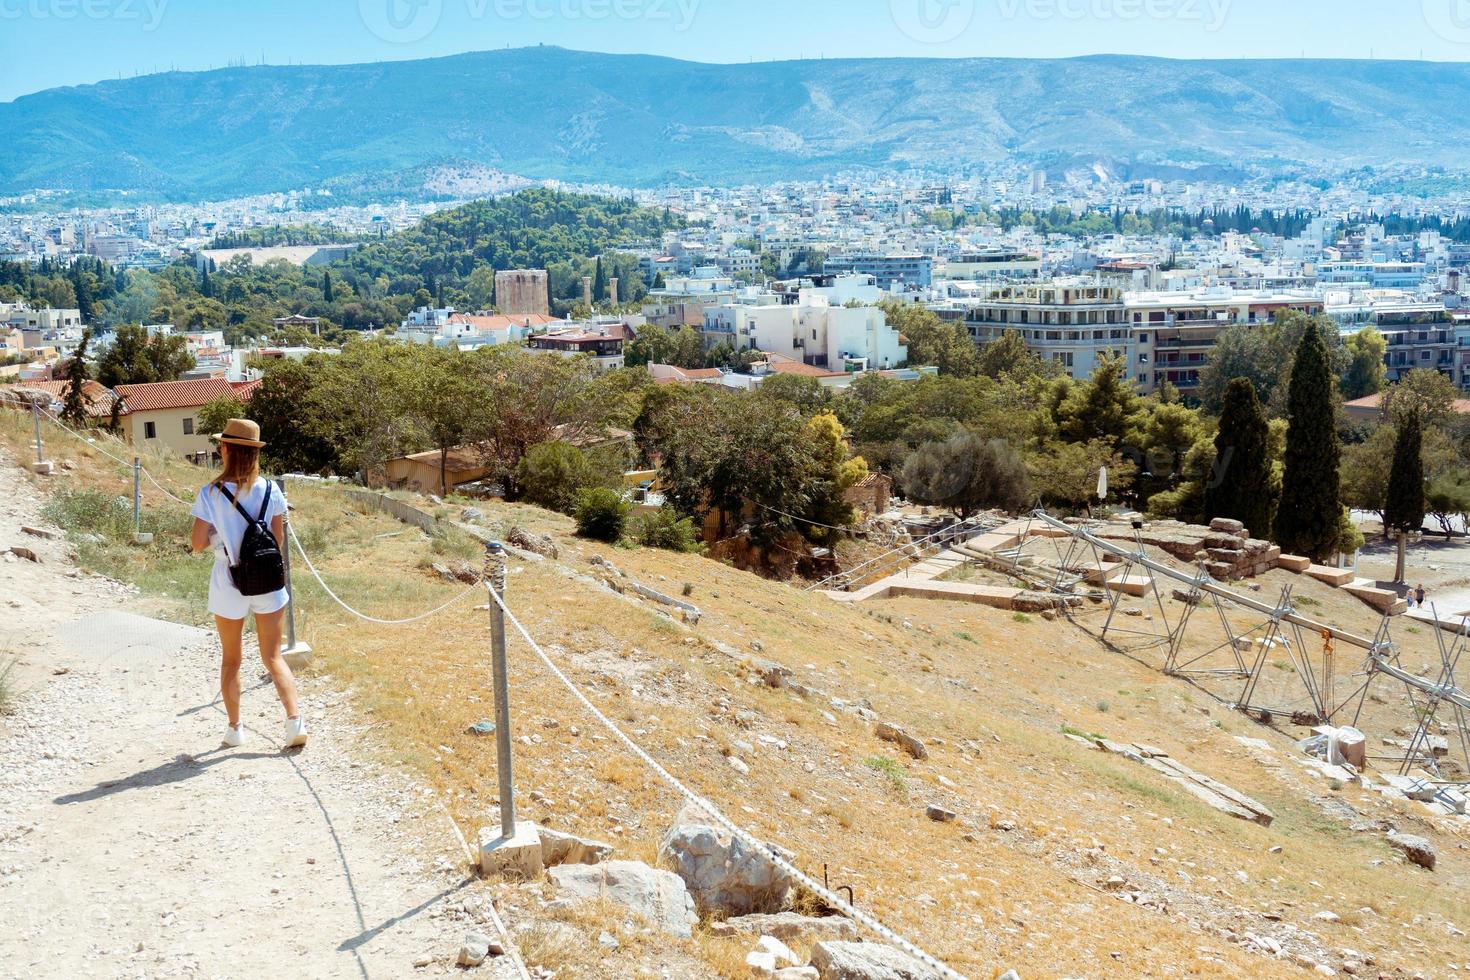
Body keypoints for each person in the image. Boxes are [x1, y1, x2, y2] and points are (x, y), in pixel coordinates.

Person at [189, 418, 307, 749]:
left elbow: (197, 542)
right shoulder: (272, 490)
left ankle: (235, 729)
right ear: (254, 453)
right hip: (267, 580)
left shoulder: (211, 493)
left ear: (227, 449)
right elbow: (277, 539)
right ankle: (294, 720)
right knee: (273, 656)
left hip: (229, 580)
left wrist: (218, 536)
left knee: (232, 659)